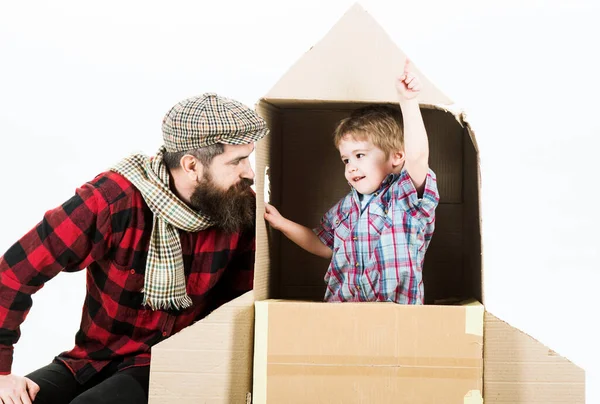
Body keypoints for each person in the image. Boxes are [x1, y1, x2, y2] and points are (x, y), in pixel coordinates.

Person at [0, 93, 268, 404]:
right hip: (93, 359)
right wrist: (2, 373)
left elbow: (239, 307)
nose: (249, 172)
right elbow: (14, 274)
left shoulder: (240, 209)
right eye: (237, 161)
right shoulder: (111, 201)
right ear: (191, 165)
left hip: (170, 364)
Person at [264, 60, 440, 304]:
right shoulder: (345, 208)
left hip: (396, 316)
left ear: (397, 156)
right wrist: (281, 223)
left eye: (360, 155)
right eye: (346, 160)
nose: (352, 166)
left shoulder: (404, 196)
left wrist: (408, 101)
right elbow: (323, 244)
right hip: (344, 312)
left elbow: (418, 156)